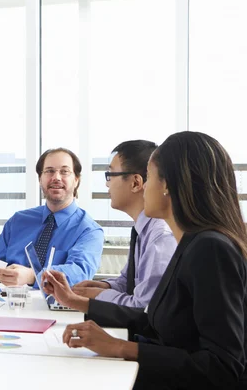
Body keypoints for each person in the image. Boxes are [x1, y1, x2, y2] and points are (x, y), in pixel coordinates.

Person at [43, 131, 247, 389]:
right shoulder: (190, 243)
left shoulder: (210, 249)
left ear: (167, 185)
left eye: (149, 177)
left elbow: (222, 367)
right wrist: (85, 311)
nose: (144, 186)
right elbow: (155, 321)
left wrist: (120, 347)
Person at [0, 148, 104, 288]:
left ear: (76, 180)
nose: (56, 177)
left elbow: (80, 273)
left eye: (64, 172)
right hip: (7, 304)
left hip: (55, 311)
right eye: (49, 171)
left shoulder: (89, 231)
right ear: (40, 179)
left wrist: (33, 276)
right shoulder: (18, 221)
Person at [73, 140, 176, 308]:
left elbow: (143, 307)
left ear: (136, 183)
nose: (107, 184)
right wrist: (106, 286)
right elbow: (129, 282)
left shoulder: (160, 237)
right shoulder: (143, 229)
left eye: (110, 175)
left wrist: (99, 296)